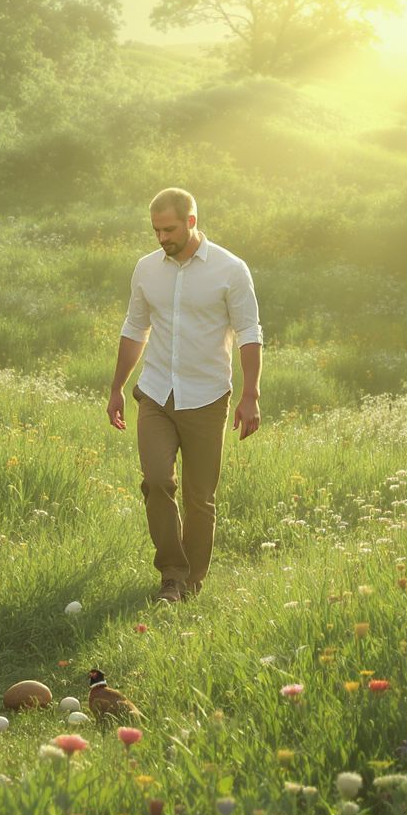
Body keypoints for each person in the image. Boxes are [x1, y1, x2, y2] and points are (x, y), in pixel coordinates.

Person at [107, 188, 263, 603]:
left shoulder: (231, 269)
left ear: (191, 221)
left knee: (200, 497)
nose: (162, 237)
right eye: (156, 230)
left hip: (208, 396)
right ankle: (171, 576)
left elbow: (249, 332)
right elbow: (135, 327)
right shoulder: (146, 269)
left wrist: (251, 394)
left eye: (169, 229)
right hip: (156, 392)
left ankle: (193, 582)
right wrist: (117, 388)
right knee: (156, 481)